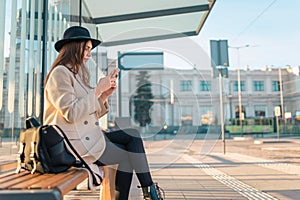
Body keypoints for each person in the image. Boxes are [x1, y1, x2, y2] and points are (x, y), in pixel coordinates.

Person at [43, 25, 164, 200]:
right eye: (86, 49)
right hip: (71, 146)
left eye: (90, 50)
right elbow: (71, 113)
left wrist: (104, 96)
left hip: (85, 139)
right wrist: (97, 91)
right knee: (131, 140)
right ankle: (150, 192)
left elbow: (87, 113)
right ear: (74, 47)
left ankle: (149, 191)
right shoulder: (60, 73)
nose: (89, 54)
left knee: (129, 145)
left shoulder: (76, 75)